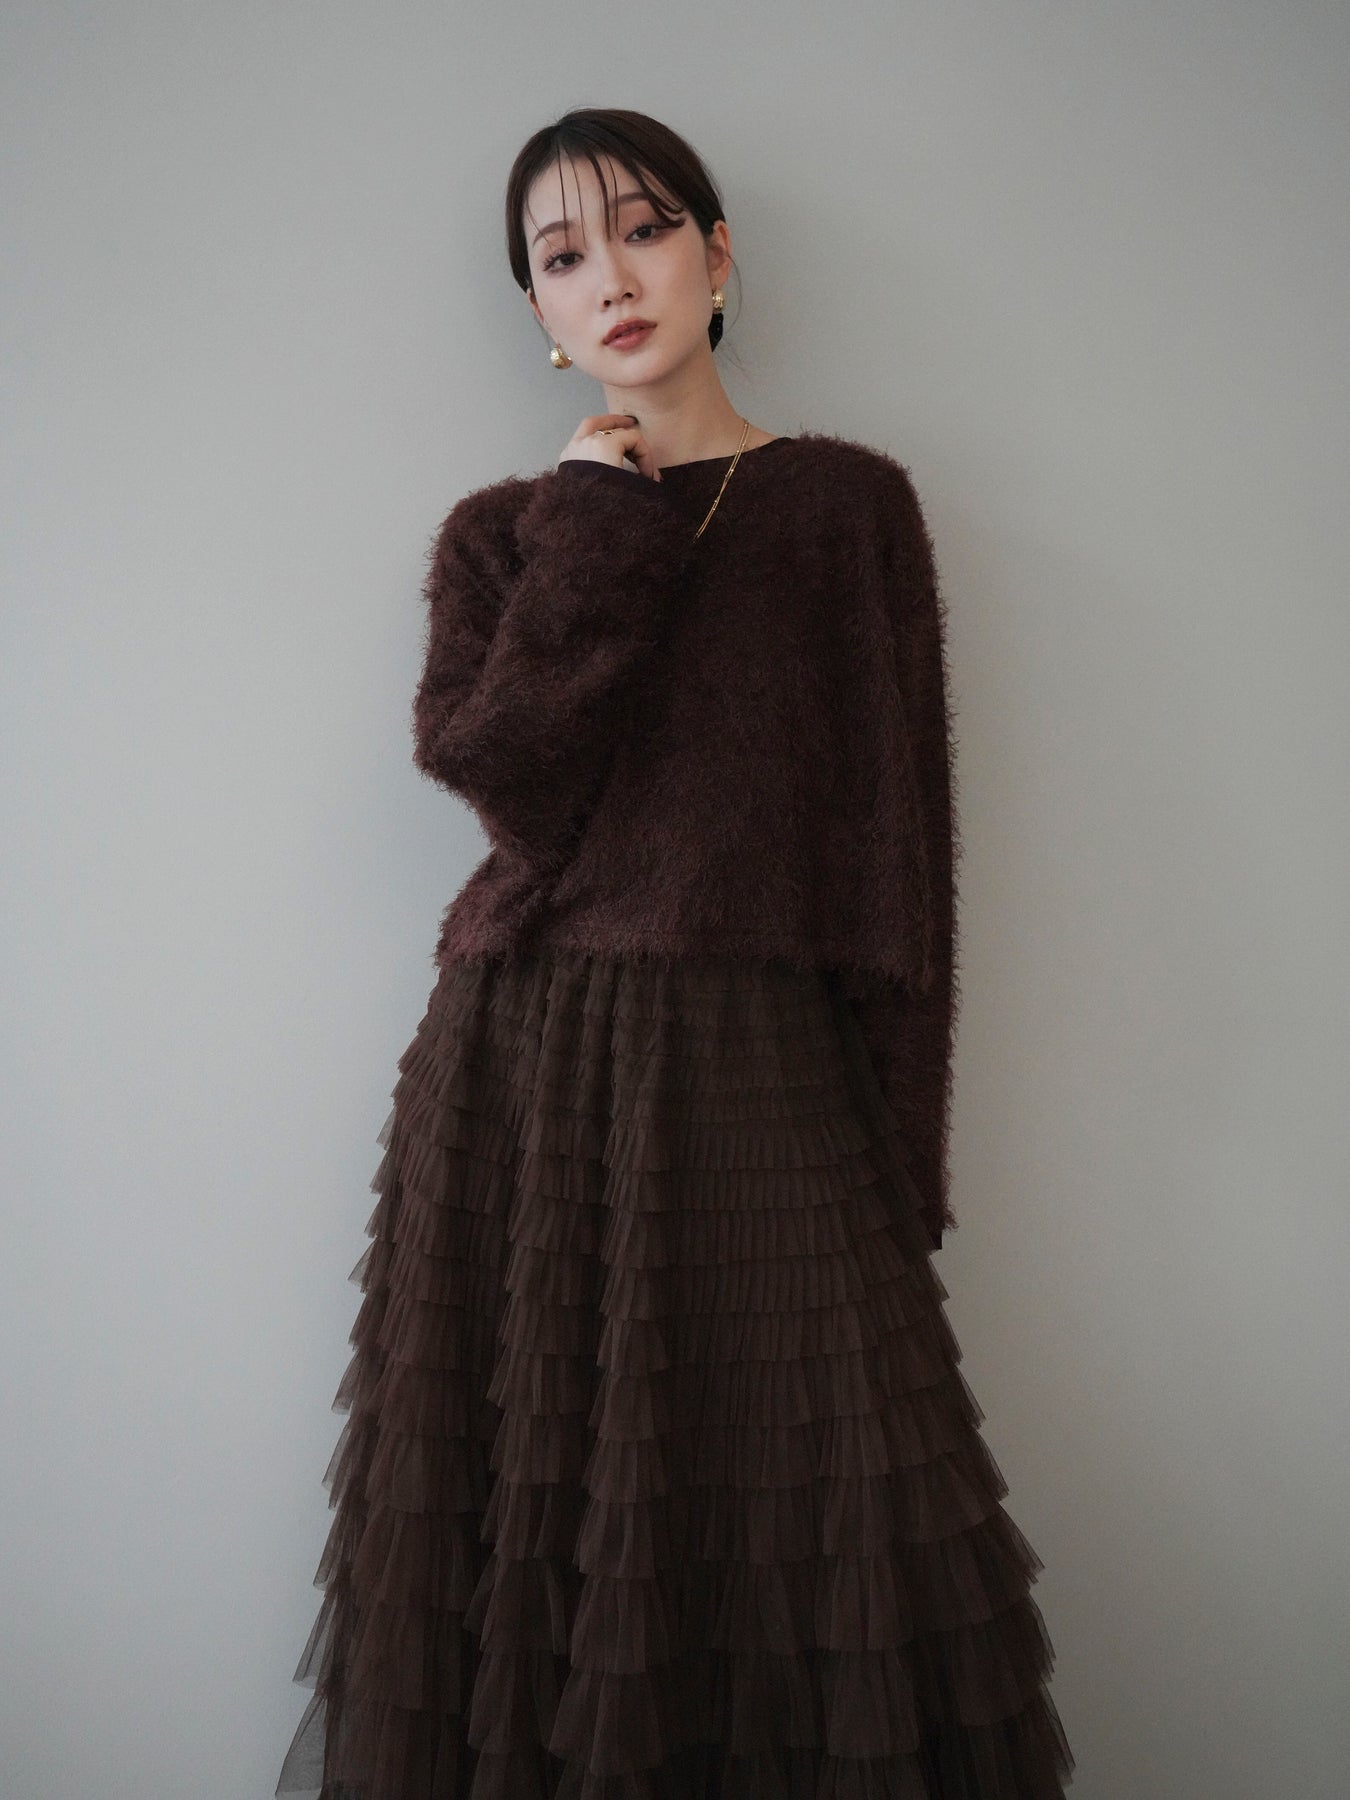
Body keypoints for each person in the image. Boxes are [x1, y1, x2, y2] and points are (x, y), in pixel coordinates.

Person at [275, 106, 1074, 1799]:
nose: (611, 280)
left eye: (642, 230)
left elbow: (899, 852)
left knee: (827, 1490)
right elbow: (504, 776)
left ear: (717, 255)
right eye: (563, 257)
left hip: (764, 1059)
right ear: (538, 315)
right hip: (530, 1060)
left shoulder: (846, 506)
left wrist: (901, 1148)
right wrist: (592, 517)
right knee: (542, 1525)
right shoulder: (506, 532)